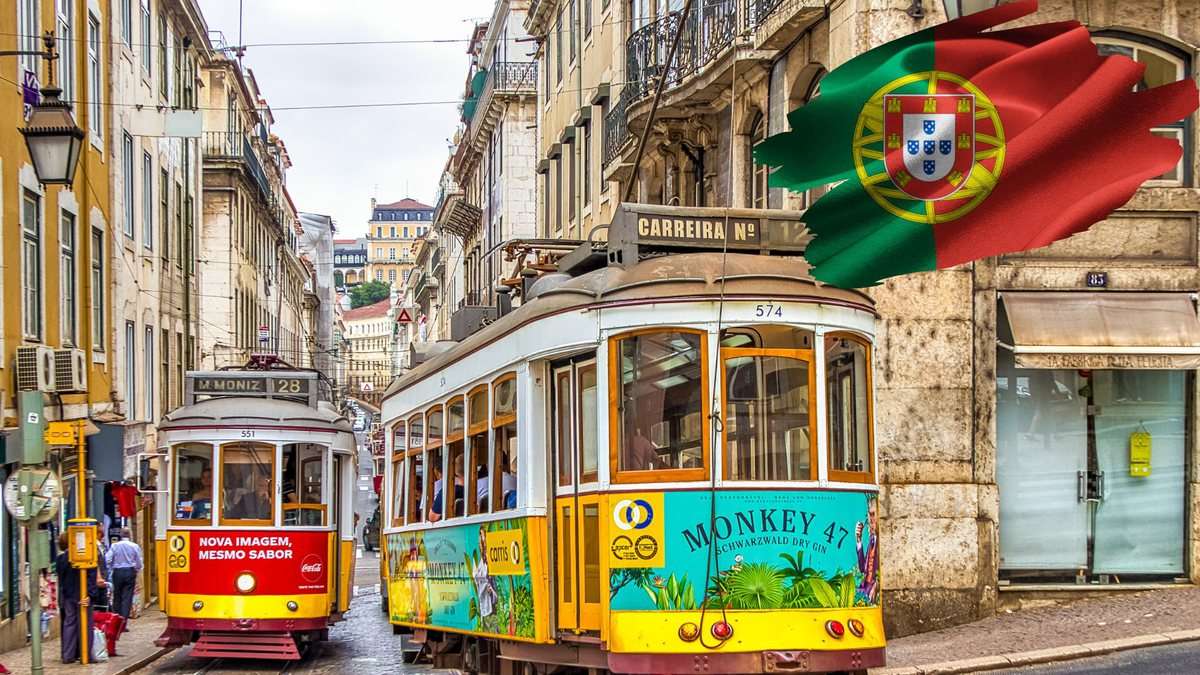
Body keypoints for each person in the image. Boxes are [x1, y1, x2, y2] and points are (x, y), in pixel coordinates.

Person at [55, 532, 99, 663]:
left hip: (68, 595)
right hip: (83, 594)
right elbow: (91, 577)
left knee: (69, 623)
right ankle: (86, 655)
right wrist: (91, 595)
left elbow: (61, 578)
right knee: (86, 624)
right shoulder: (85, 556)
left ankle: (68, 655)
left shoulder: (61, 559)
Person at [105, 529, 143, 620]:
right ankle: (123, 622)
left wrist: (111, 567)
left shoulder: (115, 546)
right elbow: (138, 561)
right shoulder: (134, 546)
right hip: (130, 571)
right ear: (129, 535)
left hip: (117, 572)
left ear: (121, 535)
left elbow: (107, 559)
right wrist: (136, 569)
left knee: (117, 596)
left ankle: (116, 621)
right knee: (127, 597)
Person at [855, 495, 880, 604]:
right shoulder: (872, 539)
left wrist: (877, 585)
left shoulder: (880, 540)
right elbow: (862, 568)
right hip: (865, 587)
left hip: (871, 590)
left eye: (873, 514)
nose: (870, 520)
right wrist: (858, 540)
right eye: (869, 515)